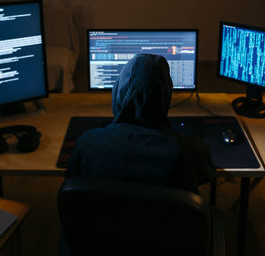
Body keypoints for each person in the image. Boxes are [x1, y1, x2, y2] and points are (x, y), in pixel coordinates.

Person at [64, 53, 216, 194]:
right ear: (165, 97)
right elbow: (206, 176)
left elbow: (72, 178)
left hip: (105, 223)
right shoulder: (192, 151)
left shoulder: (87, 145)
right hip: (166, 223)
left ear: (118, 94)